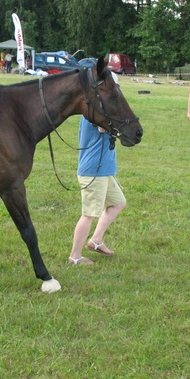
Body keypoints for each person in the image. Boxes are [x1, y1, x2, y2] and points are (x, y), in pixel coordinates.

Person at [69, 107, 126, 266]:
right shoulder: (95, 110)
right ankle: (75, 257)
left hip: (105, 169)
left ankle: (96, 240)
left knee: (118, 203)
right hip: (94, 170)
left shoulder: (101, 108)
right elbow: (105, 126)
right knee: (89, 214)